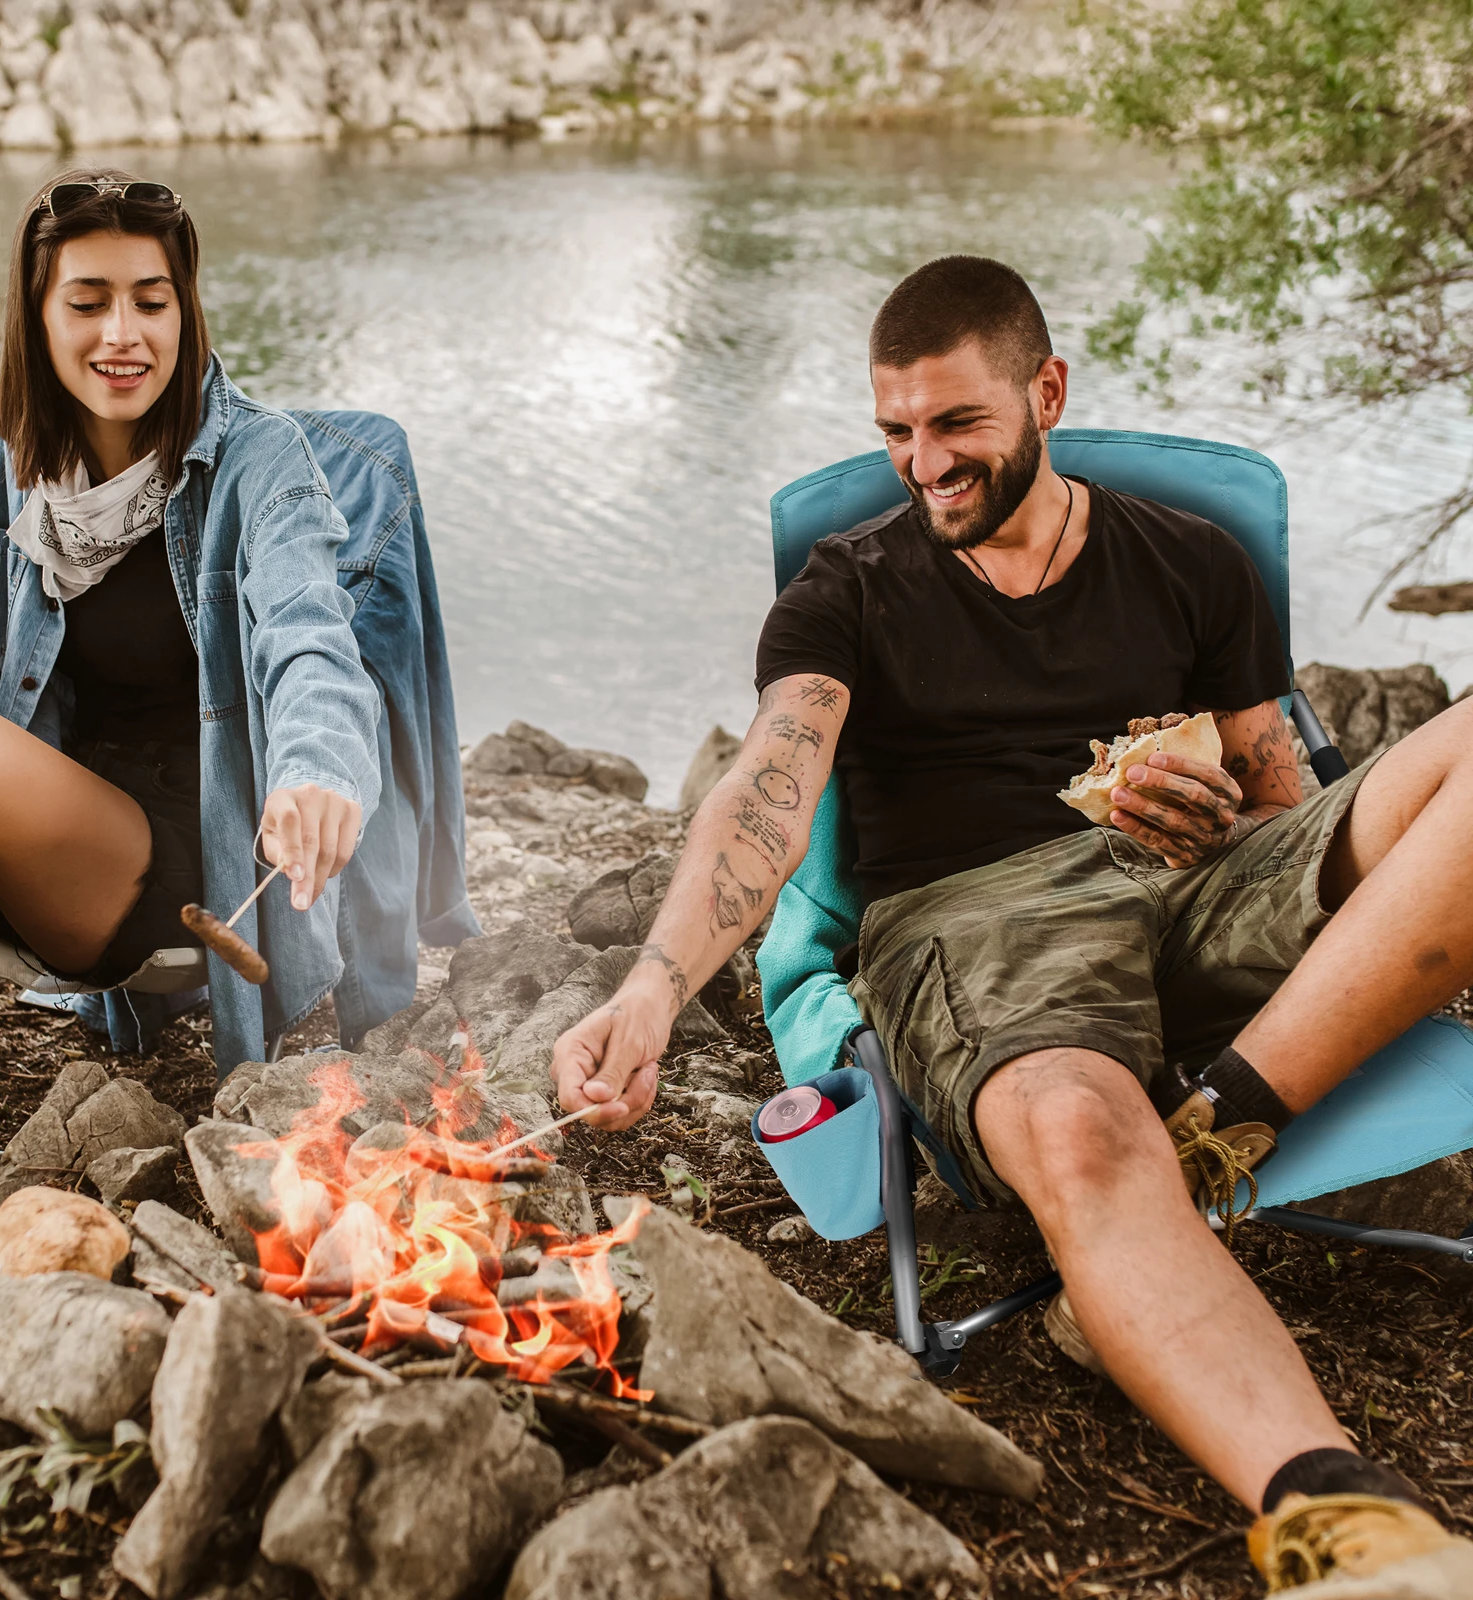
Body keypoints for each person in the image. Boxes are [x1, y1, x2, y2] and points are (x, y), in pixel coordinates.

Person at [551, 256, 1473, 1589]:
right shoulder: (846, 590)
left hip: (1191, 885)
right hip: (977, 928)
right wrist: (648, 990)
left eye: (956, 425)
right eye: (895, 432)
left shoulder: (1191, 563)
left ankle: (1216, 1137)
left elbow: (1295, 811)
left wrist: (1220, 812)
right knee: (1081, 1134)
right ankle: (1348, 1522)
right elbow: (765, 799)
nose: (922, 465)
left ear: (1046, 389)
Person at [0, 168, 475, 1071]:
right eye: (88, 303)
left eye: (150, 302)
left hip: (187, 852)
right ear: (37, 319)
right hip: (53, 817)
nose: (124, 336)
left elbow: (309, 636)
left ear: (184, 311)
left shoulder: (261, 463)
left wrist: (315, 769)